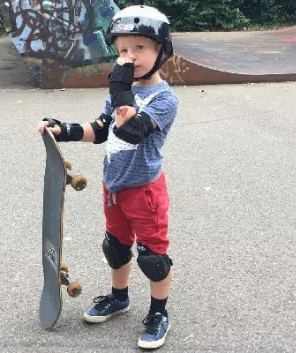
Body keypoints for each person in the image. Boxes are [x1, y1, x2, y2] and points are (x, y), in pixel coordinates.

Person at [36, 5, 178, 350]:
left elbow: (134, 132)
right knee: (115, 248)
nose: (129, 57)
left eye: (139, 49)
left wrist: (121, 92)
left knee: (152, 258)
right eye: (123, 50)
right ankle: (119, 297)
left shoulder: (163, 99)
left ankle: (159, 312)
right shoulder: (118, 91)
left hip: (144, 191)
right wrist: (64, 130)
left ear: (161, 50)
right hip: (113, 187)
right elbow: (101, 130)